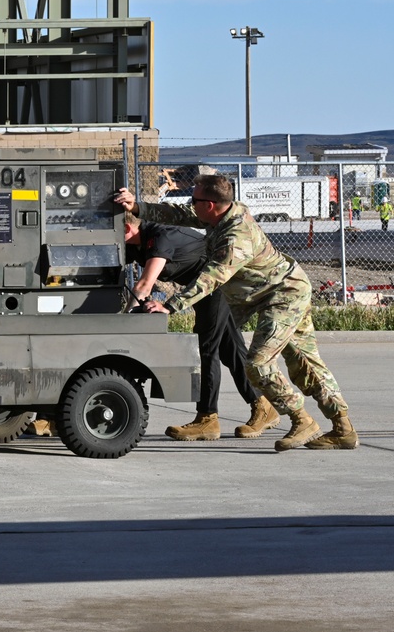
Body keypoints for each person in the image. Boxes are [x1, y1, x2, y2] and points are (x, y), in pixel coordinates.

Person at [114, 175, 358, 452]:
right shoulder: (218, 215)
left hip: (282, 295)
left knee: (259, 363)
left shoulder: (235, 237)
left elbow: (212, 277)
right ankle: (343, 429)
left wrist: (169, 305)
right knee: (301, 363)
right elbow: (178, 213)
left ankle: (301, 419)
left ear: (211, 204)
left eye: (195, 200)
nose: (190, 205)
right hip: (260, 296)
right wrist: (137, 207)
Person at [124, 215, 277, 440]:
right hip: (204, 289)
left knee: (206, 349)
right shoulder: (136, 244)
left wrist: (124, 318)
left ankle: (207, 419)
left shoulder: (159, 237)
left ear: (127, 228)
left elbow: (145, 285)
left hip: (217, 284)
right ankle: (263, 406)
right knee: (231, 350)